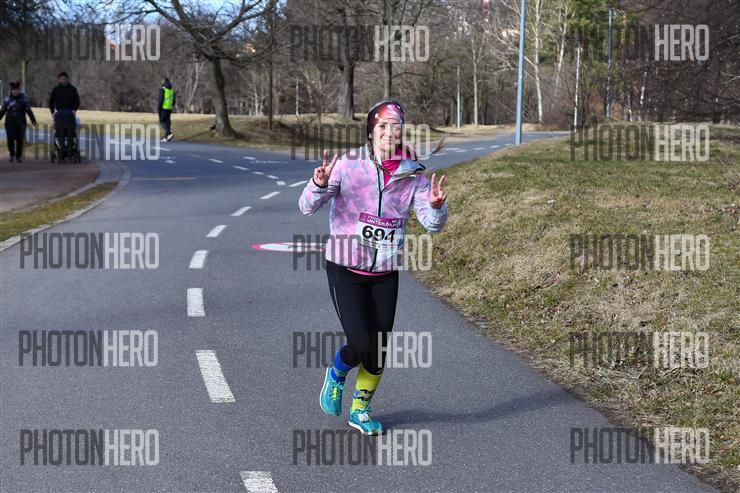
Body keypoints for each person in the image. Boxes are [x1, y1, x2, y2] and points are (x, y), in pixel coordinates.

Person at [298, 100, 449, 435]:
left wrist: (437, 207)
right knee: (361, 344)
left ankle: (360, 411)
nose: (389, 132)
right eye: (382, 126)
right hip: (345, 268)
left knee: (378, 351)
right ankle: (337, 371)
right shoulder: (348, 165)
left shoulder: (413, 174)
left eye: (396, 126)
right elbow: (307, 207)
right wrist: (319, 184)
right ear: (371, 132)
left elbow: (432, 224)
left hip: (384, 272)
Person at [0, 81, 37, 163]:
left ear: (19, 90)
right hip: (9, 123)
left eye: (17, 90)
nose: (15, 91)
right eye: (14, 90)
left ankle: (18, 156)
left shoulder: (23, 100)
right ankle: (12, 154)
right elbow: (2, 111)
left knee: (20, 140)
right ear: (11, 91)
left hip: (21, 123)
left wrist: (33, 121)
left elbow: (29, 111)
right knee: (10, 138)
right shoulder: (7, 100)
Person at [158, 77, 175, 142]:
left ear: (164, 81)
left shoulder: (163, 89)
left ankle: (169, 133)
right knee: (167, 122)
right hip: (169, 108)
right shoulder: (172, 90)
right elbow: (174, 100)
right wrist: (172, 106)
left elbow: (160, 100)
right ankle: (166, 137)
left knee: (162, 121)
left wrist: (159, 109)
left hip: (163, 108)